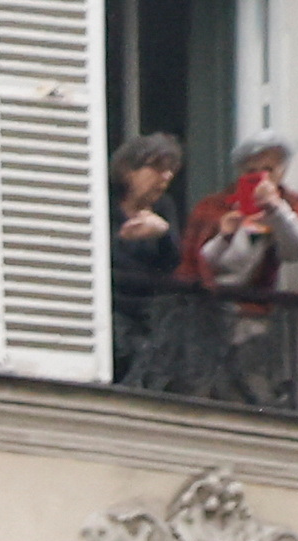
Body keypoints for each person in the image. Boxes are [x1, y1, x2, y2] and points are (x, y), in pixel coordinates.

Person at [186, 132, 298, 409]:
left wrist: (277, 211)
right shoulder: (215, 207)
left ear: (282, 171)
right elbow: (204, 262)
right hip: (209, 310)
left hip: (254, 317)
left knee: (252, 392)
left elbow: (297, 251)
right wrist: (227, 234)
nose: (261, 178)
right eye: (252, 172)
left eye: (269, 170)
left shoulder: (290, 205)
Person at [108, 131, 197, 392]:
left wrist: (164, 233)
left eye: (170, 170)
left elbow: (172, 263)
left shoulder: (164, 208)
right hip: (116, 308)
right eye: (157, 168)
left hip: (150, 312)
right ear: (128, 171)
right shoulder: (106, 204)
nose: (166, 177)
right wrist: (123, 239)